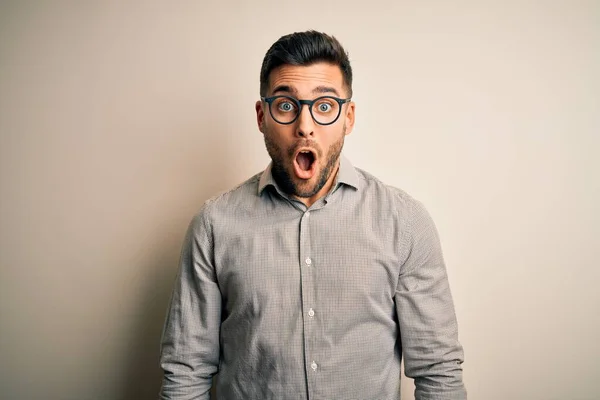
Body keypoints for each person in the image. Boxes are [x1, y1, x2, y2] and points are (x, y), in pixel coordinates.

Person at [159, 30, 466, 400]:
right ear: (261, 116)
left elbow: (438, 373)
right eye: (286, 105)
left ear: (348, 117)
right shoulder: (213, 226)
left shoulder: (404, 223)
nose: (305, 126)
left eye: (324, 106)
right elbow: (185, 375)